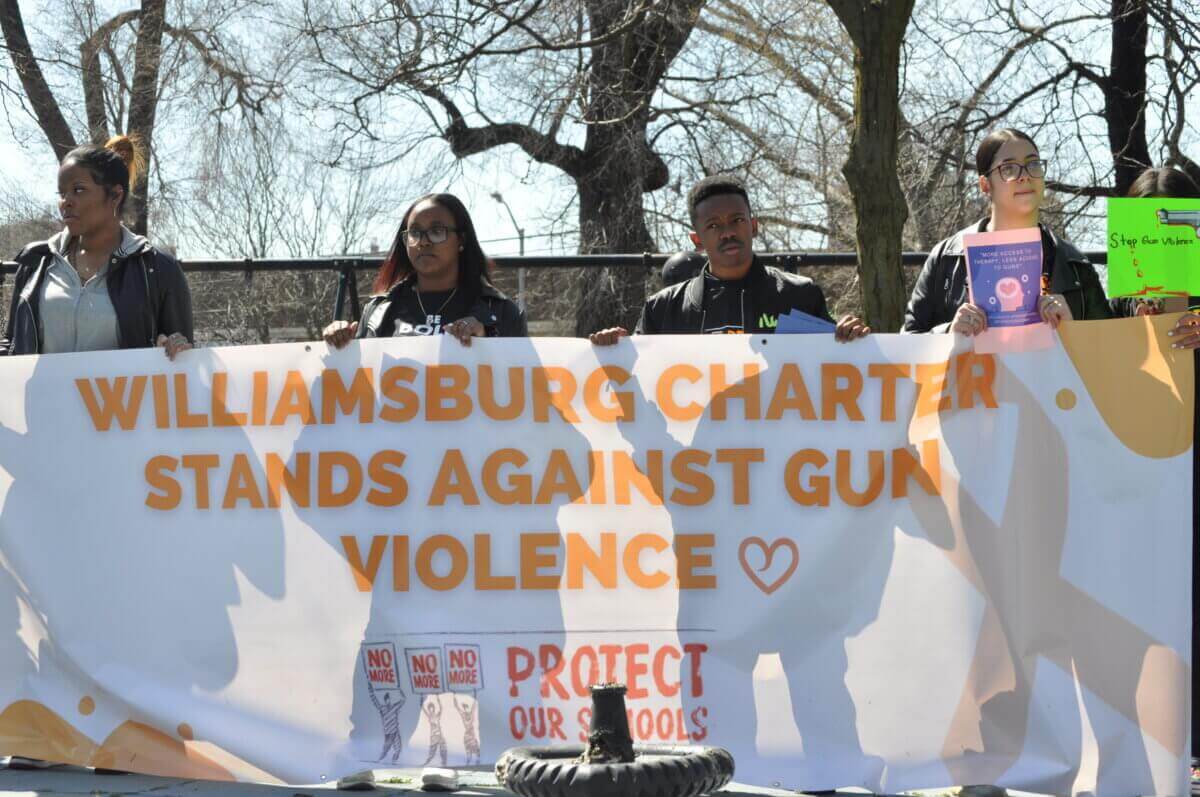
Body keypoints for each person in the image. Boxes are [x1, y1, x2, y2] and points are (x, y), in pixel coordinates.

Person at [589, 174, 869, 343]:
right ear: (697, 240)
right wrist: (615, 351)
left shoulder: (800, 294)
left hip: (779, 443)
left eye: (737, 220)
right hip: (696, 444)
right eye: (713, 225)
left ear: (754, 226)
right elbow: (636, 384)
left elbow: (836, 368)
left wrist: (849, 336)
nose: (727, 233)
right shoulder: (663, 309)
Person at [902, 128, 1112, 335]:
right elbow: (907, 343)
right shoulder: (946, 258)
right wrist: (949, 332)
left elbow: (1110, 354)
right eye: (1009, 168)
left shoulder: (1075, 264)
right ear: (985, 185)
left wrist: (1072, 330)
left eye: (1033, 164)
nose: (1025, 176)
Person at [1, 135, 193, 359]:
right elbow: (12, 344)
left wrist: (175, 347)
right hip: (45, 395)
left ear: (115, 195)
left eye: (78, 190)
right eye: (61, 193)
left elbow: (184, 359)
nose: (66, 202)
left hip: (122, 395)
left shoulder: (157, 268)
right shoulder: (36, 262)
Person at [323, 193, 525, 348]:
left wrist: (487, 339)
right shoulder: (378, 312)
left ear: (461, 240)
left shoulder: (501, 312)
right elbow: (358, 387)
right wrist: (340, 343)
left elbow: (523, 388)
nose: (423, 242)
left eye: (437, 231)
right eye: (415, 233)